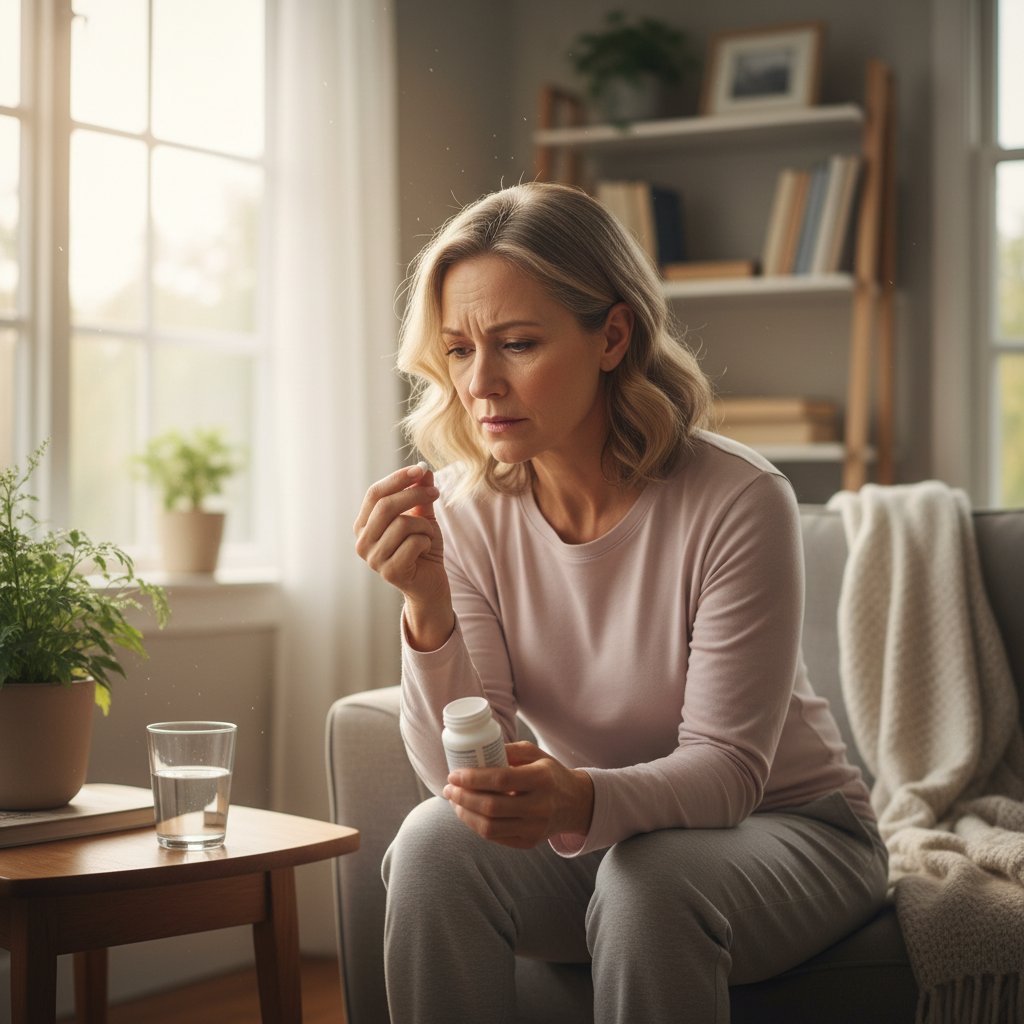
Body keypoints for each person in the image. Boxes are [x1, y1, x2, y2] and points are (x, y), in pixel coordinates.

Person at [353, 181, 888, 1024]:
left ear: (612, 336)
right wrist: (427, 608)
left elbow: (728, 771)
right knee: (431, 844)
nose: (480, 383)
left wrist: (580, 800)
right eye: (457, 350)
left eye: (517, 343)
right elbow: (455, 777)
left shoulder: (738, 498)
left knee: (652, 883)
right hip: (613, 837)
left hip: (792, 831)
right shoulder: (464, 513)